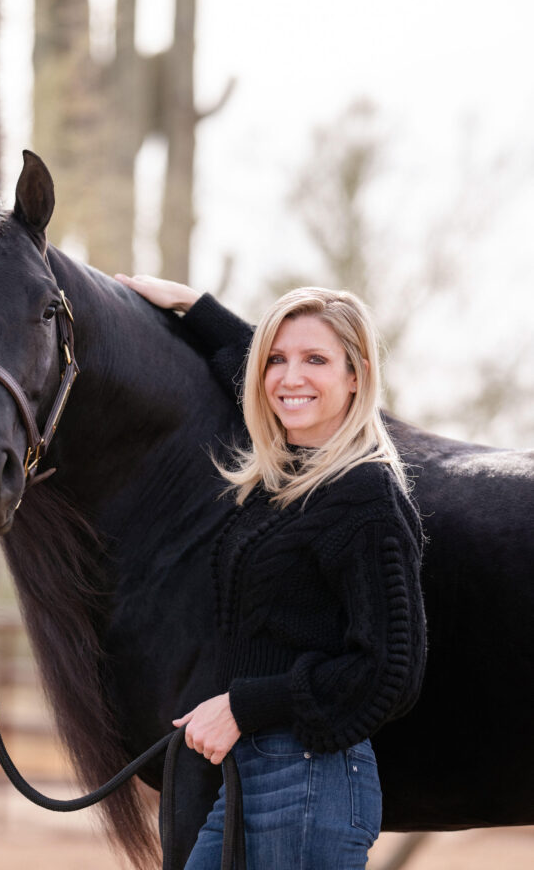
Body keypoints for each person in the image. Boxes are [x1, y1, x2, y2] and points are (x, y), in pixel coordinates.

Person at [115, 275, 427, 870]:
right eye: (276, 360)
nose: (291, 377)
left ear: (356, 374)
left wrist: (241, 707)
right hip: (249, 776)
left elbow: (389, 669)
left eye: (317, 359)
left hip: (314, 781)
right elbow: (257, 370)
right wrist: (192, 306)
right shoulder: (288, 481)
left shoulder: (364, 495)